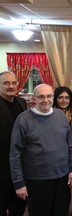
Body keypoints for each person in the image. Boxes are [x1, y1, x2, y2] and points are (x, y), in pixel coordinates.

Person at [9, 84, 72, 216]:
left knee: (61, 212)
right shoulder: (23, 120)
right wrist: (19, 183)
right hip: (36, 180)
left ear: (53, 97)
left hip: (62, 177)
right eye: (41, 97)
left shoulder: (61, 116)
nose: (46, 100)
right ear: (34, 98)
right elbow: (15, 154)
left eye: (49, 96)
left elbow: (70, 146)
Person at [0, 71, 27, 216]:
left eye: (13, 83)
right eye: (6, 83)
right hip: (2, 166)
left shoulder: (22, 102)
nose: (11, 86)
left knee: (19, 205)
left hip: (19, 166)